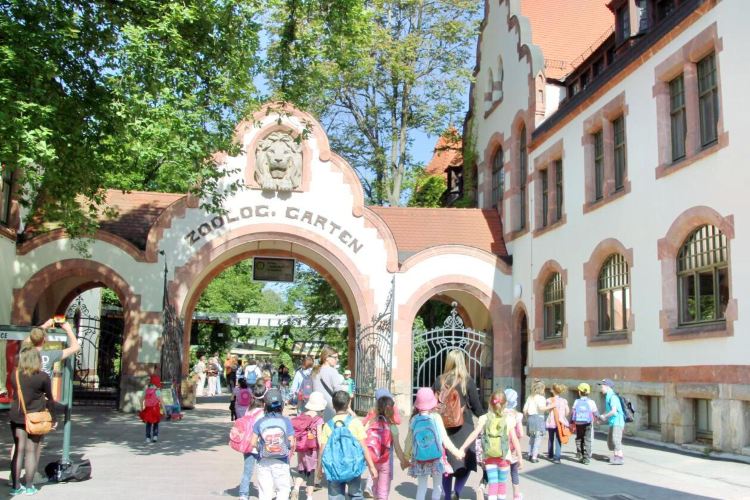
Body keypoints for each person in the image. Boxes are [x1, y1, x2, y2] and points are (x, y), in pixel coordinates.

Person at [432, 349, 484, 499]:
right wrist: (484, 417)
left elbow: (432, 402)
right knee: (465, 463)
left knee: (446, 465)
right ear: (462, 362)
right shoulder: (467, 380)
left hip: (444, 427)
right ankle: (458, 491)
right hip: (465, 426)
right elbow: (476, 406)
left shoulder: (439, 380)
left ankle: (447, 495)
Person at [459, 390, 523, 500]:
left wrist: (462, 448)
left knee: (493, 484)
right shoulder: (509, 419)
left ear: (490, 403)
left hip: (489, 457)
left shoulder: (484, 418)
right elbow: (515, 439)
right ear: (505, 404)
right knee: (502, 484)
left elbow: (474, 434)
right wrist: (520, 457)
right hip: (504, 457)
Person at [8, 347, 56, 496]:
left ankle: (16, 486)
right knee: (31, 451)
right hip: (36, 417)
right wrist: (53, 417)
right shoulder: (42, 377)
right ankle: (29, 486)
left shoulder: (14, 375)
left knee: (19, 450)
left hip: (17, 416)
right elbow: (50, 397)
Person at [404, 387, 463, 500]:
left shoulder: (414, 420)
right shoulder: (436, 418)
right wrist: (456, 452)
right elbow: (445, 439)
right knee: (437, 486)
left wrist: (405, 457)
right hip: (436, 458)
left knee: (421, 487)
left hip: (419, 459)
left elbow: (409, 441)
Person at [318, 390, 378, 500]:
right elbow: (364, 447)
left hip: (334, 469)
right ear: (348, 404)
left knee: (335, 497)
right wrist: (372, 467)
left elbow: (322, 450)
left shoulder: (328, 425)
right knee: (355, 496)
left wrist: (319, 469)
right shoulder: (355, 423)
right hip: (353, 467)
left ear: (333, 405)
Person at [250, 388, 295, 500]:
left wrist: (261, 447)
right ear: (281, 404)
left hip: (264, 460)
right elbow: (292, 441)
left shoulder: (260, 422)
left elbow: (252, 442)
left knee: (265, 491)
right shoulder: (286, 421)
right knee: (283, 490)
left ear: (265, 405)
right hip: (281, 460)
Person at [365, 393, 407, 500]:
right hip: (385, 462)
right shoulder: (392, 427)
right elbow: (397, 448)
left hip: (373, 460)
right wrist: (403, 461)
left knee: (375, 487)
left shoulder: (371, 423)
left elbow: (364, 440)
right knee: (383, 490)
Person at [290, 391, 326, 500]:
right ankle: (309, 496)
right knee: (311, 473)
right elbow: (319, 437)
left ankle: (296, 488)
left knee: (301, 470)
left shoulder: (302, 415)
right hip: (312, 450)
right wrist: (321, 450)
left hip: (301, 448)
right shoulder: (319, 419)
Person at [237, 383, 268, 500]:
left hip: (248, 445)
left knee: (247, 471)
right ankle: (263, 493)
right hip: (259, 445)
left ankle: (243, 494)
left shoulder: (249, 410)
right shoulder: (263, 413)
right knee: (263, 471)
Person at [312, 346, 347, 421]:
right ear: (327, 358)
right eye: (335, 357)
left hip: (315, 406)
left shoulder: (315, 371)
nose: (337, 360)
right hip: (330, 408)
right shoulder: (332, 371)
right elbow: (339, 392)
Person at [597, 378, 625, 465]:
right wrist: (602, 419)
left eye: (602, 386)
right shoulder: (608, 396)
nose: (601, 388)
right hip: (613, 422)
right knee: (611, 441)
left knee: (616, 440)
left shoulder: (613, 397)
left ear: (607, 387)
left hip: (618, 422)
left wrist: (604, 416)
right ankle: (616, 456)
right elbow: (608, 410)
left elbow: (613, 411)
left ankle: (620, 458)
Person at [504, 388, 524, 500]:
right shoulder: (517, 415)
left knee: (496, 471)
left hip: (499, 446)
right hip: (512, 447)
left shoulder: (499, 413)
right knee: (514, 470)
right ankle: (516, 495)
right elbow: (520, 433)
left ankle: (483, 487)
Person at [571, 383, 599, 464]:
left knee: (579, 437)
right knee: (587, 439)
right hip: (588, 423)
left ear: (579, 392)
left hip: (578, 423)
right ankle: (586, 458)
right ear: (588, 392)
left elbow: (573, 413)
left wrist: (571, 422)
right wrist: (599, 418)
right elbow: (596, 413)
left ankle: (580, 453)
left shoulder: (576, 401)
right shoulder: (592, 402)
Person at [522, 379, 546, 463]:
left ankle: (529, 454)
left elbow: (525, 410)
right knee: (537, 438)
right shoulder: (541, 398)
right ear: (541, 389)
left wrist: (527, 418)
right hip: (538, 418)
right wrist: (550, 407)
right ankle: (534, 456)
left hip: (530, 418)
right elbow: (541, 408)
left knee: (532, 438)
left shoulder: (530, 397)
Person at [544, 383, 569, 464]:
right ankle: (557, 458)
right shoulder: (564, 401)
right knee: (558, 439)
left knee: (550, 438)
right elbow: (567, 412)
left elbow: (547, 410)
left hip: (551, 422)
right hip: (560, 422)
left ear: (553, 391)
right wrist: (562, 415)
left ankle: (550, 454)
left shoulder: (549, 400)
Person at [139, 374, 165, 443]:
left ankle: (148, 437)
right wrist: (164, 411)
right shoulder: (158, 391)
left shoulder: (146, 390)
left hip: (148, 409)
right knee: (156, 423)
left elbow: (141, 400)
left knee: (148, 424)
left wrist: (142, 409)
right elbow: (162, 402)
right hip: (156, 409)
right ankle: (155, 436)